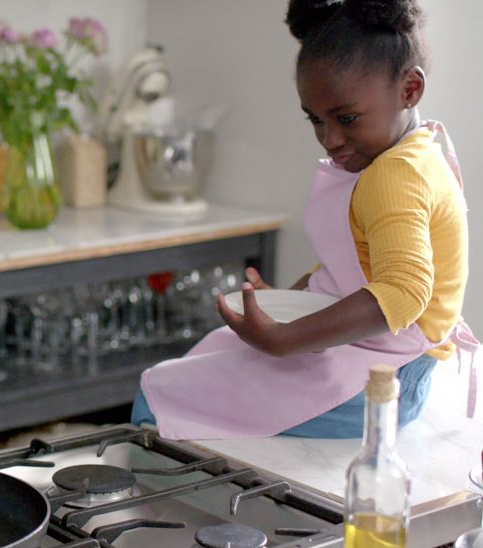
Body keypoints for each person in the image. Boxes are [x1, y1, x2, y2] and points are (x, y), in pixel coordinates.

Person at [131, 0, 477, 440]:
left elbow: (404, 292)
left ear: (409, 89)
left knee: (160, 396)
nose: (330, 139)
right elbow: (356, 263)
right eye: (316, 120)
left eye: (346, 118)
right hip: (393, 368)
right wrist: (288, 301)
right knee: (202, 368)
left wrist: (285, 339)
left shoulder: (395, 174)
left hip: (382, 383)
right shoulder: (416, 150)